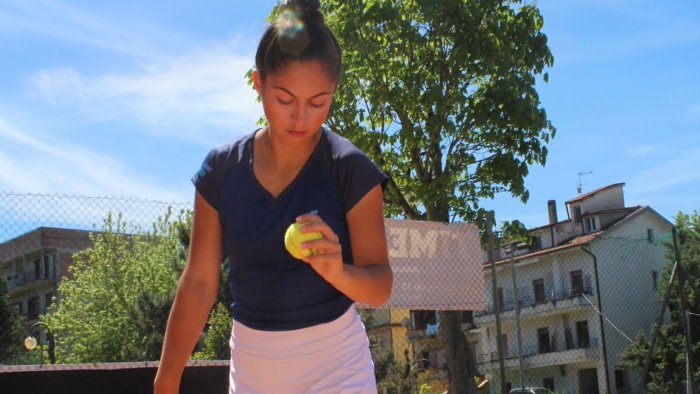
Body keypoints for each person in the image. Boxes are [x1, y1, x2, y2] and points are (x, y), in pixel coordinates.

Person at [153, 0, 393, 392]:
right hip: (253, 370)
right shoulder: (221, 170)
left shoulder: (349, 168)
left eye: (319, 102)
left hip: (338, 369)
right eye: (285, 99)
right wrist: (166, 380)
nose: (301, 117)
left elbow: (380, 286)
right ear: (258, 82)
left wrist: (338, 271)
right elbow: (198, 283)